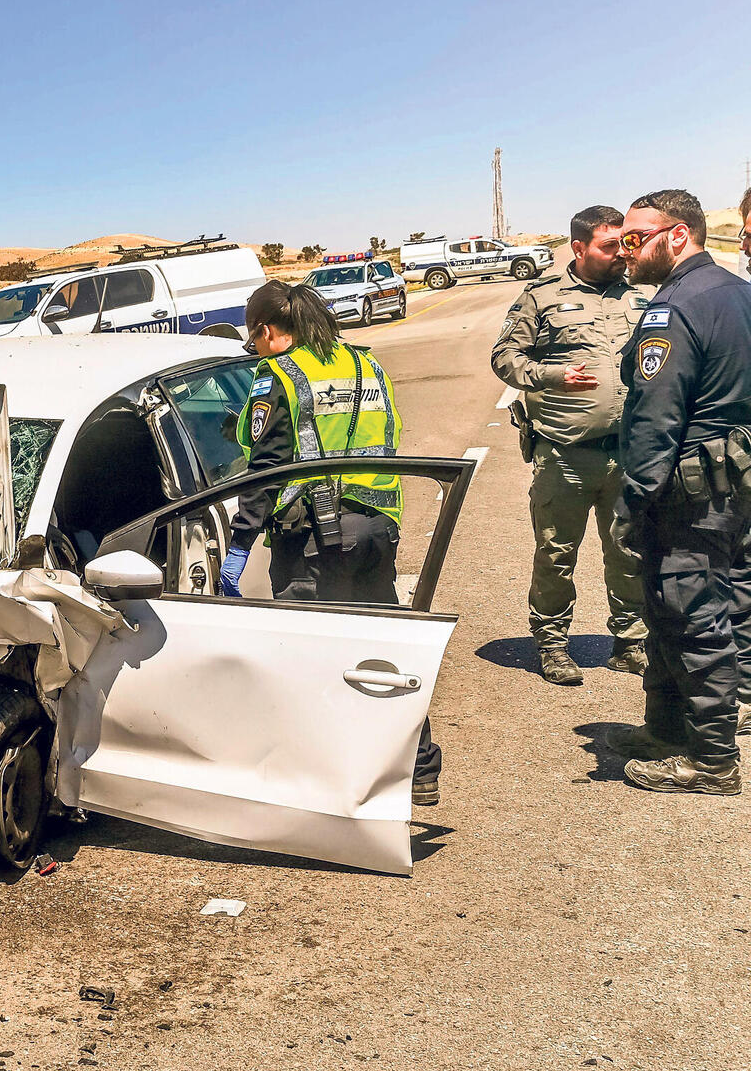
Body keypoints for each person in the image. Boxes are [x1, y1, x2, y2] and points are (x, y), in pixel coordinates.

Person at [219, 281, 440, 805]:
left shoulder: (277, 376)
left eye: (256, 340)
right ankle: (420, 768)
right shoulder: (365, 364)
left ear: (268, 331)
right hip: (377, 526)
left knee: (306, 661)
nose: (257, 350)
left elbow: (269, 468)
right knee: (382, 651)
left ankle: (316, 779)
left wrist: (240, 541)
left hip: (314, 541)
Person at [608, 189, 751, 795]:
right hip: (730, 483)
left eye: (635, 240)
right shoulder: (737, 292)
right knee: (683, 608)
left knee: (692, 616)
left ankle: (713, 760)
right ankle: (666, 730)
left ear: (677, 235)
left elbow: (654, 416)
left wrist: (632, 498)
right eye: (619, 242)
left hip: (685, 490)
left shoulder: (675, 308)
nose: (624, 253)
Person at [489, 206, 649, 685]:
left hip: (630, 450)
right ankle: (553, 644)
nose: (621, 253)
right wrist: (552, 375)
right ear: (578, 248)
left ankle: (630, 641)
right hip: (565, 451)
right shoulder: (542, 298)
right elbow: (505, 357)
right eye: (608, 245)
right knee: (557, 552)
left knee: (629, 550)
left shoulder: (642, 295)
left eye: (626, 243)